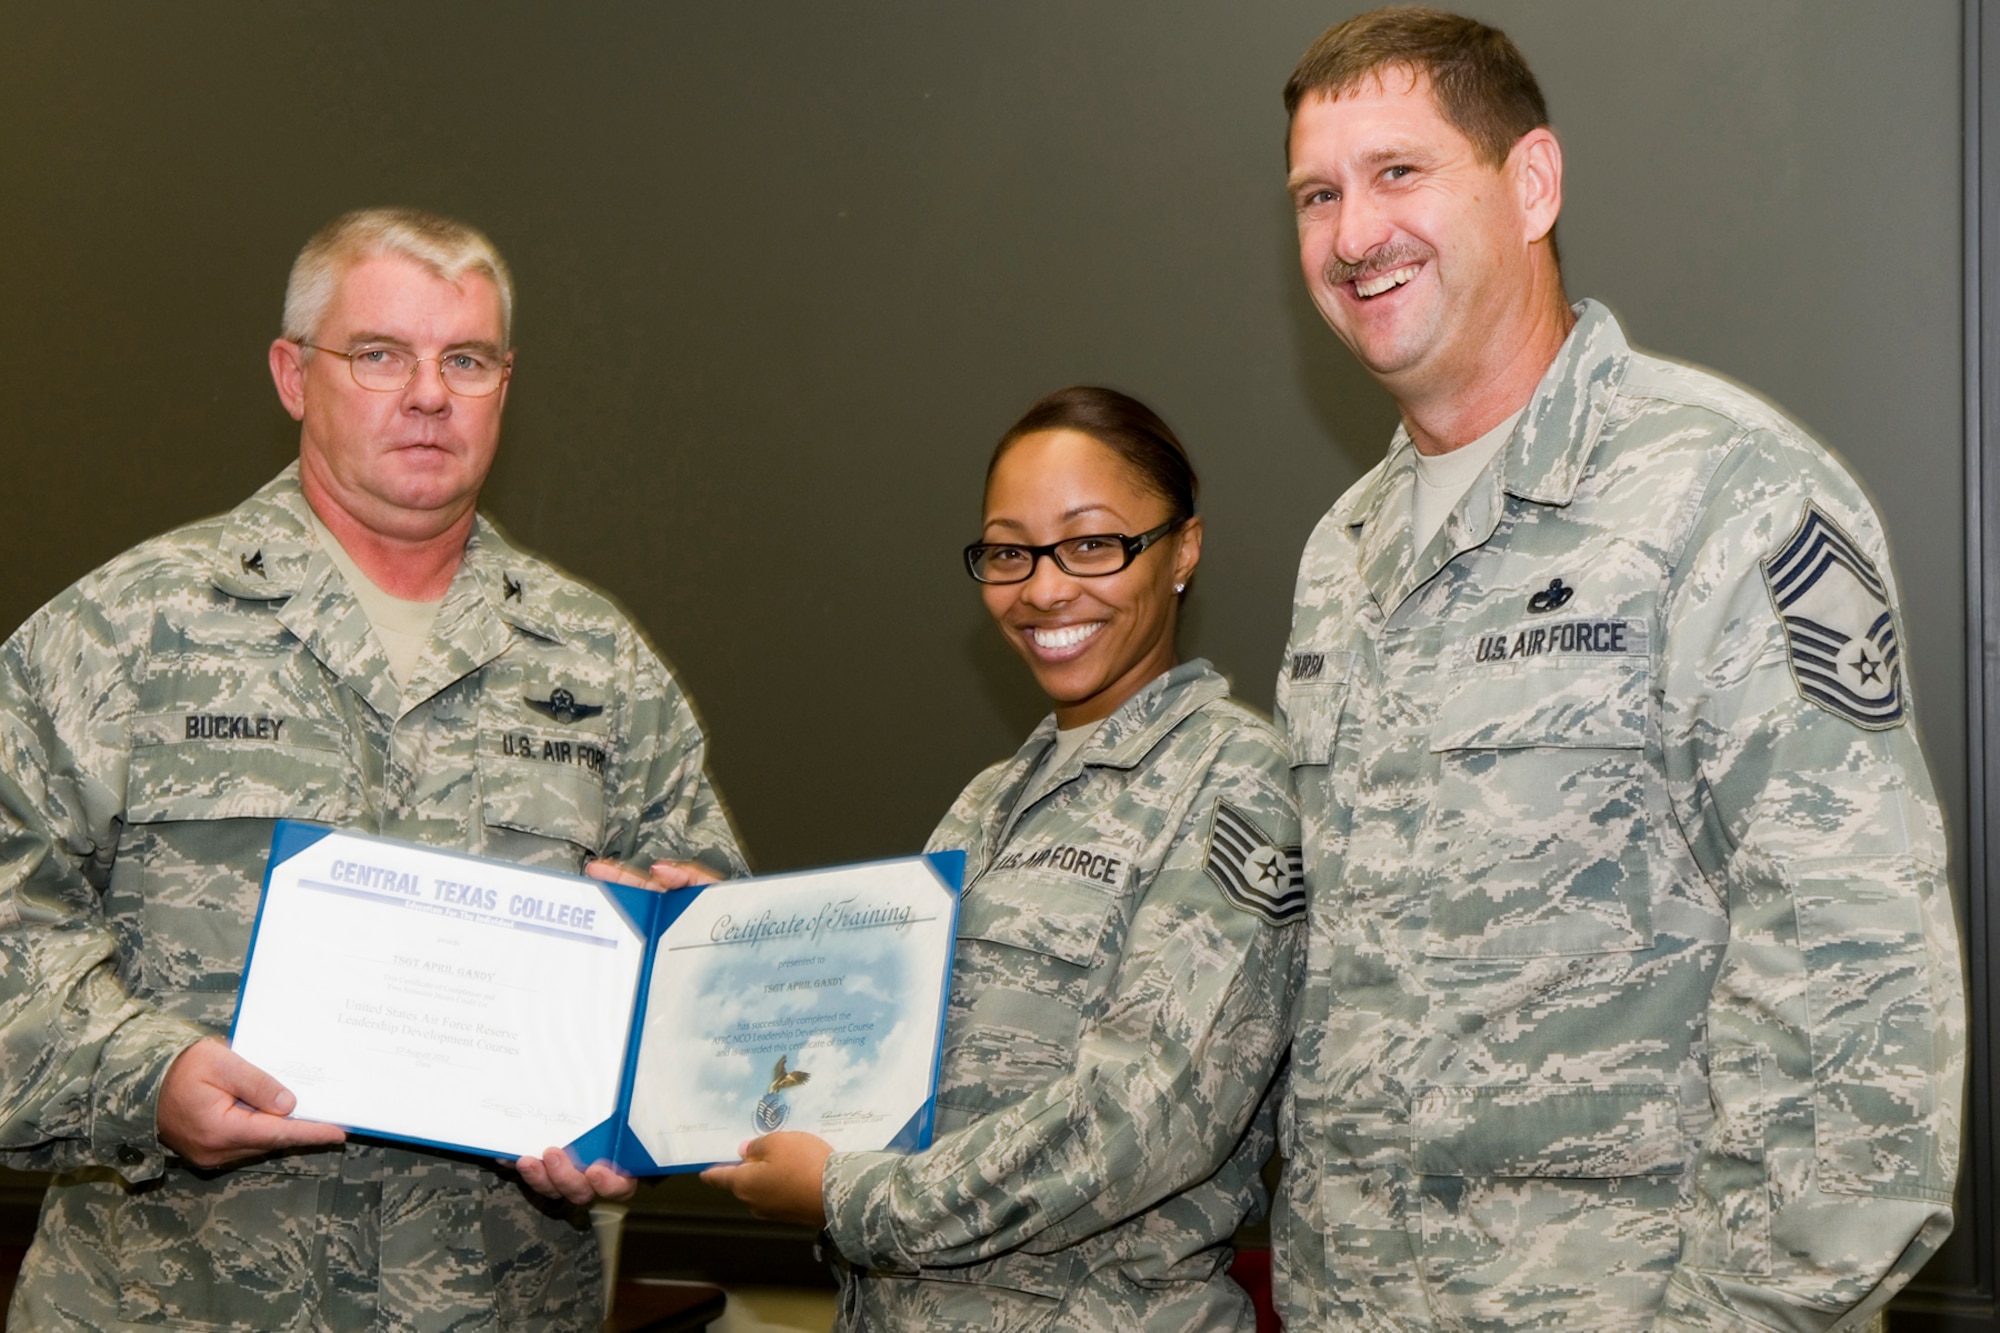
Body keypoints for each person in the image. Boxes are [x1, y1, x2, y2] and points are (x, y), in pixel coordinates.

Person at [1270, 9, 1964, 1332]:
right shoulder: (1342, 555)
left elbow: (1854, 984)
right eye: (1318, 192)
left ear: (1532, 183)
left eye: (1399, 172)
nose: (1354, 232)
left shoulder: (1729, 494)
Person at [0, 207, 746, 1331]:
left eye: (467, 359)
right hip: (169, 1301)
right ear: (293, 375)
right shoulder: (120, 635)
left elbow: (712, 961)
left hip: (497, 1303)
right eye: (381, 354)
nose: (430, 393)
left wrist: (666, 1009)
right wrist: (142, 1079)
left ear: (505, 383)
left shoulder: (599, 667)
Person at [695, 386, 1304, 1329]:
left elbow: (1146, 1118)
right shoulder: (985, 802)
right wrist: (712, 961)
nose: (1045, 587)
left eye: (1092, 543)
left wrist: (850, 1198)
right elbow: (878, 1063)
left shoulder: (1232, 780)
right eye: (1009, 551)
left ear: (1182, 549)